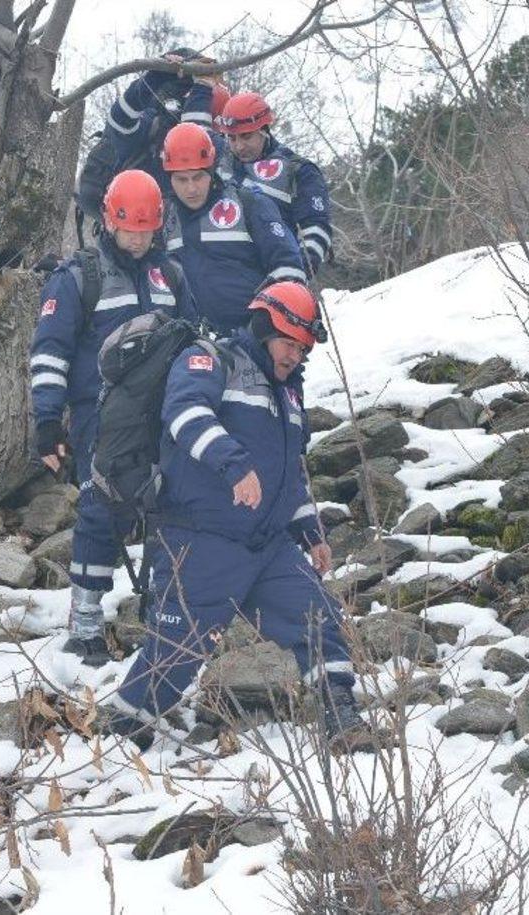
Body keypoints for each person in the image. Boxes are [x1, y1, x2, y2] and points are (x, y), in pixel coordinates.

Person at [109, 281, 362, 750]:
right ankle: (123, 732)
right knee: (177, 653)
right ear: (264, 327)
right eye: (289, 343)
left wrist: (311, 533)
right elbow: (183, 414)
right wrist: (233, 464)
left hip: (267, 545)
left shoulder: (289, 394)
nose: (295, 356)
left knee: (318, 616)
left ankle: (341, 716)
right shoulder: (211, 360)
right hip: (200, 539)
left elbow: (290, 473)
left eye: (303, 349)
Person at [30, 170, 196, 667]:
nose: (139, 240)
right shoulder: (79, 276)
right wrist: (45, 421)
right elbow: (49, 352)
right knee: (101, 510)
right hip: (99, 415)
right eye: (130, 230)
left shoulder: (172, 275)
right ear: (109, 221)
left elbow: (192, 339)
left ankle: (164, 614)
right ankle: (84, 624)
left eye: (147, 230)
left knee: (172, 506)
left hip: (164, 412)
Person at [161, 122, 308, 333]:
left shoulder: (249, 203)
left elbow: (289, 268)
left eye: (198, 177)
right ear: (169, 178)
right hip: (191, 344)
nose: (191, 188)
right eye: (181, 180)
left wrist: (266, 328)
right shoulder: (163, 217)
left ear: (212, 171)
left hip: (252, 340)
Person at [217, 92, 333, 276]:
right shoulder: (217, 165)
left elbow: (316, 228)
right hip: (229, 279)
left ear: (264, 130)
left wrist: (297, 273)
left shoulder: (299, 170)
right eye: (232, 138)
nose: (238, 146)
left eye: (246, 136)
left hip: (278, 276)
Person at [98, 49, 230, 195]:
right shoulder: (154, 127)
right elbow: (120, 119)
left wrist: (203, 88)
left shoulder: (221, 150)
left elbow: (195, 141)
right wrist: (155, 77)